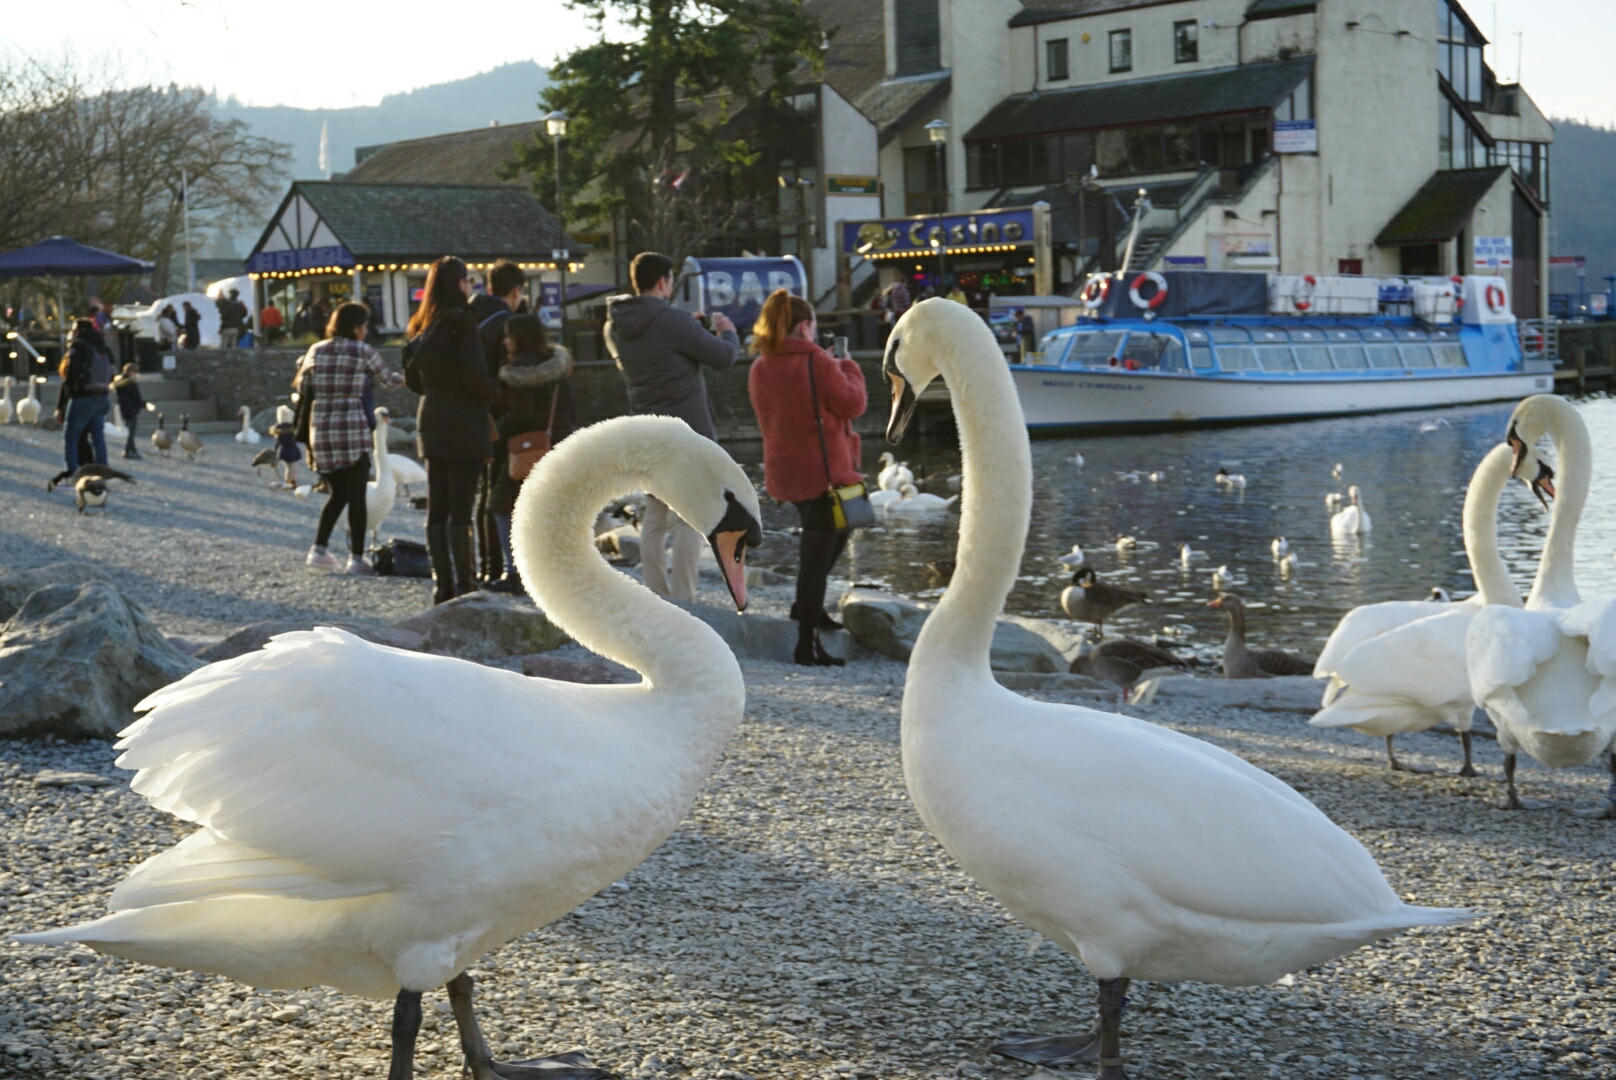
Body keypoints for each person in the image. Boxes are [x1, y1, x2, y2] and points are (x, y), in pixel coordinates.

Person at [605, 251, 739, 600]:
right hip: (687, 435)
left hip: (646, 432)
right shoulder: (674, 321)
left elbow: (658, 346)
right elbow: (723, 357)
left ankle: (655, 593)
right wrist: (727, 332)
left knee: (655, 514)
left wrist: (687, 325)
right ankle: (684, 597)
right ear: (664, 281)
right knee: (690, 518)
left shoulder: (614, 325)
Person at [747, 289, 867, 666]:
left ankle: (806, 607)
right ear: (804, 325)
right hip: (825, 473)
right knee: (814, 559)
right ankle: (807, 643)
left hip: (787, 470)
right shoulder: (818, 362)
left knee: (844, 526)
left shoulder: (760, 366)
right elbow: (853, 404)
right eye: (814, 326)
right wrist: (848, 366)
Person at [403, 256, 496, 605]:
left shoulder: (421, 325)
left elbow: (413, 380)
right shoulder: (462, 322)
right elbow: (475, 377)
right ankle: (466, 583)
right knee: (462, 508)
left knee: (436, 507)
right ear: (459, 283)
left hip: (431, 419)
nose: (471, 285)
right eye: (468, 280)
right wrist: (494, 388)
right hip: (464, 422)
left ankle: (441, 584)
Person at [296, 301, 405, 575]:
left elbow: (301, 385)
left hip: (321, 428)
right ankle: (356, 559)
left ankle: (319, 549)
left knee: (338, 492)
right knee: (356, 495)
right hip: (352, 428)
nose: (366, 331)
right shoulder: (361, 351)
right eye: (364, 326)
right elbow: (389, 380)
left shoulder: (316, 350)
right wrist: (412, 377)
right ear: (356, 327)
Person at [485, 314, 573, 593]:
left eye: (509, 335)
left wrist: (494, 433)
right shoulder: (557, 369)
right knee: (547, 512)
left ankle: (515, 573)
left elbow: (521, 414)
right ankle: (552, 572)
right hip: (556, 447)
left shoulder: (519, 371)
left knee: (502, 508)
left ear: (520, 338)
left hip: (526, 450)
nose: (505, 341)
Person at [468, 259, 526, 582]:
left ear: (489, 287)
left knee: (483, 495)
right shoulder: (506, 325)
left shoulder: (470, 318)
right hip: (500, 419)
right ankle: (506, 566)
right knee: (502, 497)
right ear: (516, 291)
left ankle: (486, 565)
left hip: (473, 416)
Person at [54, 318, 115, 472]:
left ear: (79, 330)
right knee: (98, 439)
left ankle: (72, 474)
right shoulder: (104, 348)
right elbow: (113, 373)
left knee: (71, 438)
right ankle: (102, 472)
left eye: (74, 330)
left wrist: (64, 400)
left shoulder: (79, 346)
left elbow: (71, 374)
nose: (72, 333)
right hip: (102, 398)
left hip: (82, 398)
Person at [112, 363, 145, 459]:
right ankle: (128, 450)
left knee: (129, 430)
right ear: (131, 372)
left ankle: (133, 449)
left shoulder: (120, 382)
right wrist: (143, 404)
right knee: (131, 431)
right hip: (132, 409)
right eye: (135, 372)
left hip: (124, 409)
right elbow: (136, 397)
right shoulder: (131, 383)